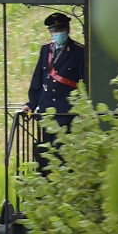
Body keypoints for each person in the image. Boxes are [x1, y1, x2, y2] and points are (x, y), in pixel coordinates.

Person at [24, 12, 85, 169]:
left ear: (68, 29)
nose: (58, 33)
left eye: (61, 29)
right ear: (50, 32)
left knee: (62, 153)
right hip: (46, 111)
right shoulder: (46, 50)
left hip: (66, 111)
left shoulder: (79, 51)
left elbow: (83, 81)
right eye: (54, 30)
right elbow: (39, 77)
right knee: (45, 152)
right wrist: (31, 103)